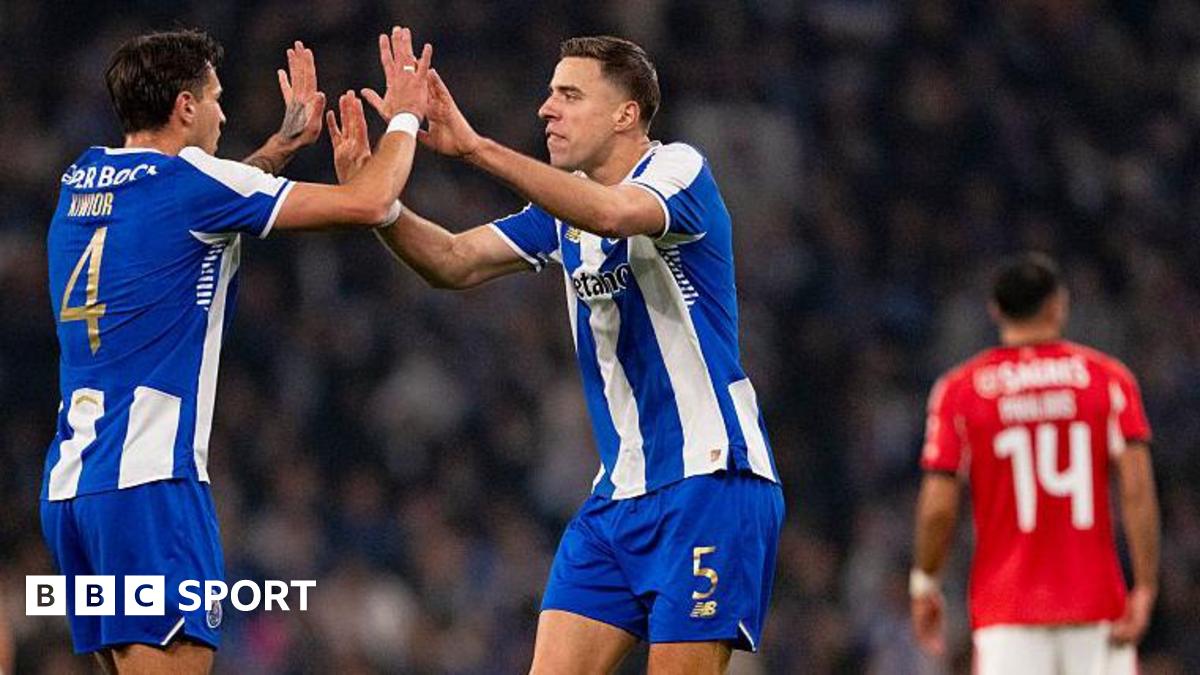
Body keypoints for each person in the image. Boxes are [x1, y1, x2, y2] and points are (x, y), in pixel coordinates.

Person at [330, 35, 784, 674]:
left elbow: (613, 213)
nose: (547, 109)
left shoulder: (678, 169)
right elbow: (453, 262)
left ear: (626, 114)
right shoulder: (561, 209)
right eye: (548, 94)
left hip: (709, 482)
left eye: (569, 95)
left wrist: (477, 148)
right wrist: (378, 207)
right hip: (616, 499)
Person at [40, 26, 433, 674]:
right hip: (151, 484)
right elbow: (369, 200)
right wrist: (408, 116)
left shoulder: (84, 175)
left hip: (75, 490)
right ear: (185, 107)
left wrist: (281, 146)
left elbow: (189, 210)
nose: (224, 112)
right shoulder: (192, 185)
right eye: (216, 98)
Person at [910, 253, 1160, 674]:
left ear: (995, 310)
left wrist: (924, 584)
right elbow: (1137, 491)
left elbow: (938, 508)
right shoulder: (1109, 380)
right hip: (1097, 607)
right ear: (1058, 304)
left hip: (1007, 613)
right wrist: (1146, 585)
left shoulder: (961, 391)